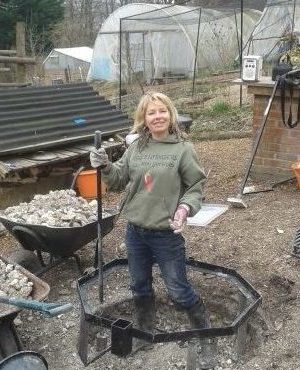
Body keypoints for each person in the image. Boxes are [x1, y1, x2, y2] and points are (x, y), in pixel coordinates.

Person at [90, 92, 210, 337]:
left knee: (177, 288)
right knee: (139, 285)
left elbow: (195, 186)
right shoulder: (136, 147)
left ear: (171, 114)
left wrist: (184, 209)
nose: (158, 117)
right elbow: (117, 179)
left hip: (166, 234)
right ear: (144, 119)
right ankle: (146, 330)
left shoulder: (183, 149)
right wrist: (104, 165)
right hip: (135, 232)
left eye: (162, 111)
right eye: (151, 112)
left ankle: (204, 331)